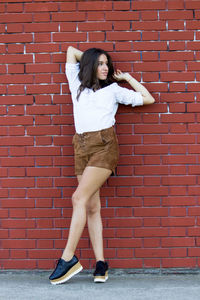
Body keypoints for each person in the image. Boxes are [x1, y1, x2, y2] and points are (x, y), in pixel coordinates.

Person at [49, 46, 155, 285]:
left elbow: (149, 99)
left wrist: (127, 78)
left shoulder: (114, 90)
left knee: (78, 198)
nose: (105, 67)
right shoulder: (76, 84)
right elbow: (70, 51)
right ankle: (101, 264)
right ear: (89, 66)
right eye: (99, 63)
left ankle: (68, 258)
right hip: (81, 147)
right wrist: (91, 57)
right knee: (91, 207)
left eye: (107, 63)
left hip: (104, 147)